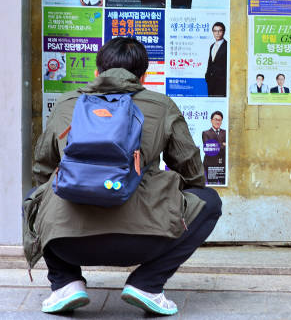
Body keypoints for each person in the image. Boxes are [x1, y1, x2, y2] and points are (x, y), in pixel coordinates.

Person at [23, 37, 221, 315]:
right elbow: (191, 171)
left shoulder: (68, 102)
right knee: (209, 201)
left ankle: (65, 282)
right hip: (145, 239)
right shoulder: (161, 105)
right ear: (143, 76)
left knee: (34, 198)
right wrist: (172, 201)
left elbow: (43, 168)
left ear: (97, 72)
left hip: (67, 242)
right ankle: (148, 284)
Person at [201, 111, 226, 184]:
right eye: (216, 119)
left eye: (219, 120)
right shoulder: (206, 133)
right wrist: (222, 144)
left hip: (222, 165)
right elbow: (209, 149)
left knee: (223, 184)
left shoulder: (225, 133)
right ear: (211, 120)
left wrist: (216, 145)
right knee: (212, 185)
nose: (217, 122)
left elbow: (228, 148)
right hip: (210, 165)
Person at [205, 22, 227, 97]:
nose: (217, 33)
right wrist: (207, 76)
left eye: (219, 31)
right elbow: (210, 62)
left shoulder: (227, 46)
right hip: (211, 82)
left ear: (223, 32)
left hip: (222, 82)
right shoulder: (212, 46)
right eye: (215, 31)